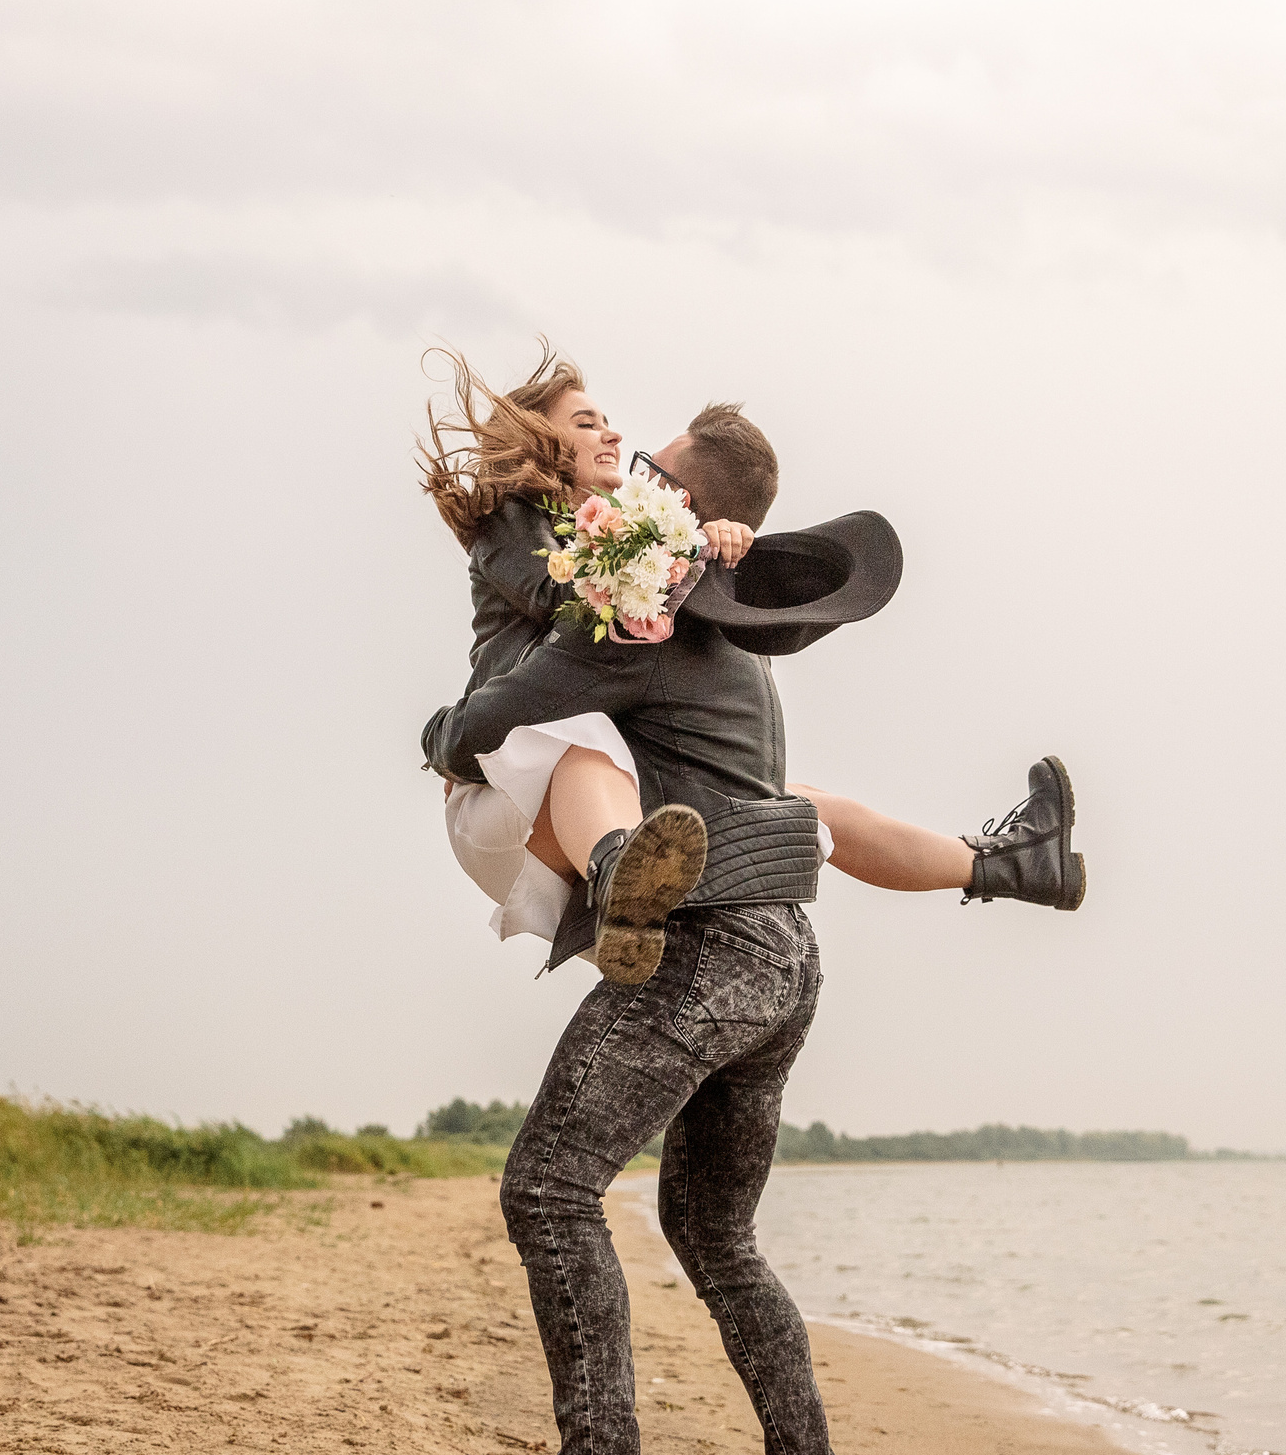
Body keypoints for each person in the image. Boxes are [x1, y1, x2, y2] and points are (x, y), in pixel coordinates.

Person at [420, 493, 902, 1455]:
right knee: (714, 1233)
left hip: (704, 951)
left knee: (548, 1190)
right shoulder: (742, 649)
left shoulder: (641, 634)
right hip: (787, 951)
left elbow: (488, 718)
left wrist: (439, 734)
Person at [420, 348, 1081, 981]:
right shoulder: (516, 522)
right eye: (587, 422)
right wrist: (685, 544)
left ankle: (1006, 863)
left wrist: (701, 544)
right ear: (537, 441)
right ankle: (620, 880)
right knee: (585, 749)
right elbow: (566, 600)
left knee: (793, 805)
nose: (616, 434)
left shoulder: (632, 564)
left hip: (590, 794)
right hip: (502, 778)